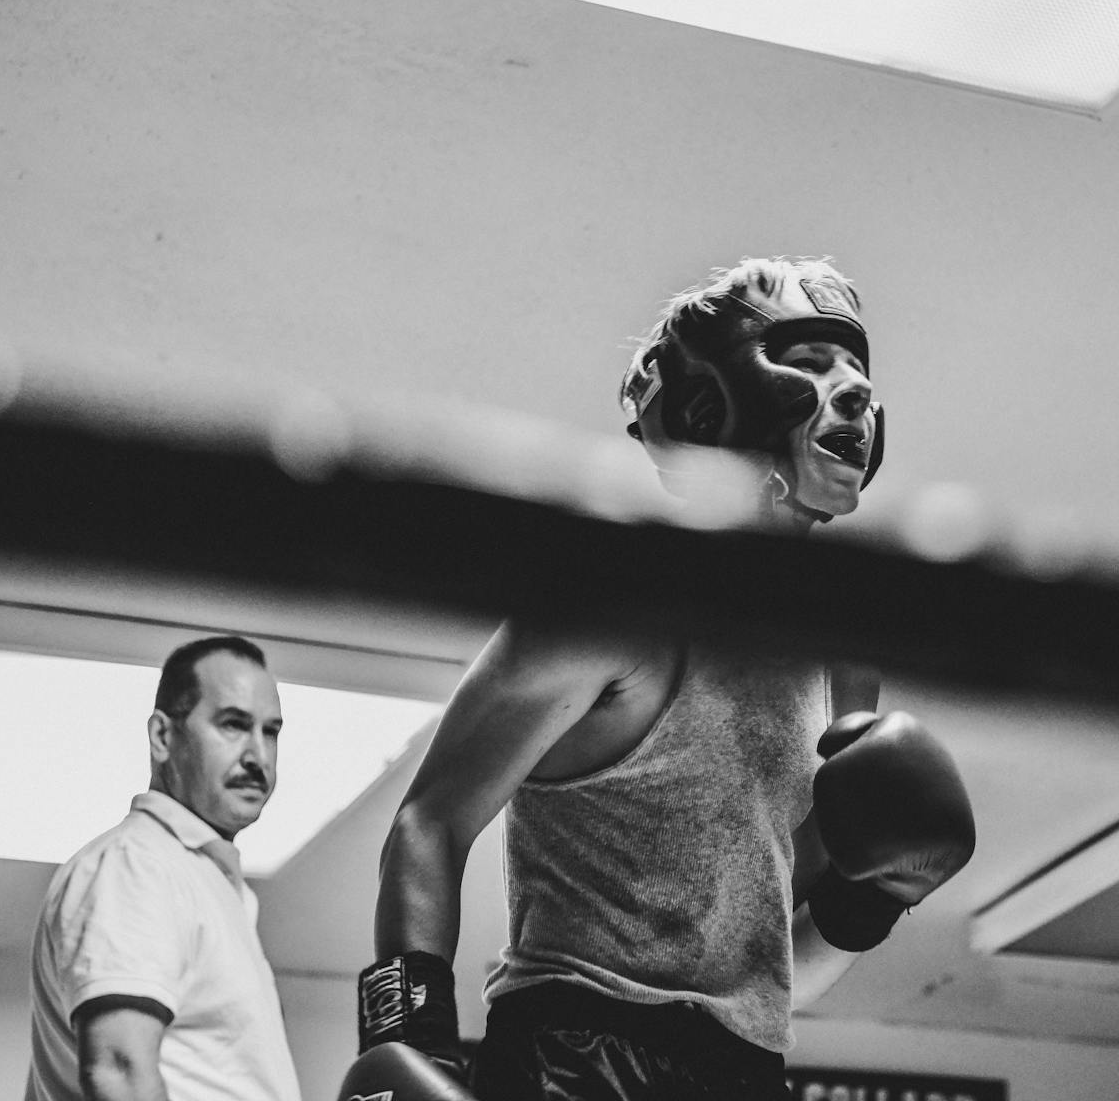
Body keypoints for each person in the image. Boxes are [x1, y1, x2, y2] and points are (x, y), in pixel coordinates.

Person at [340, 258, 976, 1101]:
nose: (855, 390)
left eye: (858, 368)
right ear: (710, 399)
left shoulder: (842, 659)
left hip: (746, 1073)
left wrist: (878, 899)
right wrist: (406, 1046)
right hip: (571, 1055)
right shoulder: (609, 603)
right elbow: (429, 821)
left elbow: (777, 968)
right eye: (815, 363)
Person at [26, 635, 301, 1101]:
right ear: (162, 736)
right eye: (233, 725)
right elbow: (119, 1072)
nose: (258, 756)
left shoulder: (207, 882)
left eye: (270, 731)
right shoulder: (138, 867)